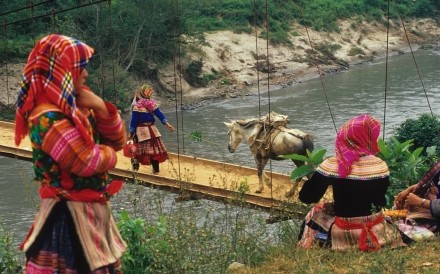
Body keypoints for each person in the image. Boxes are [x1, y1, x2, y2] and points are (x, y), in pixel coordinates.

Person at [14, 34, 127, 273]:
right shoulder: (47, 117)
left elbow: (118, 141)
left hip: (91, 215)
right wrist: (110, 156)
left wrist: (100, 107)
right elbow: (86, 162)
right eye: (81, 67)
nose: (86, 73)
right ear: (64, 70)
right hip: (67, 219)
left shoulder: (77, 105)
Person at [297, 114, 405, 251]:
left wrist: (318, 177)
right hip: (376, 227)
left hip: (345, 230)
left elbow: (307, 198)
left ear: (344, 137)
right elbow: (379, 199)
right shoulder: (380, 165)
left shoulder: (332, 165)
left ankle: (303, 247)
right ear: (370, 138)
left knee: (315, 211)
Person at [128, 83, 174, 173]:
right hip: (151, 130)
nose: (149, 93)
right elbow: (159, 114)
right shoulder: (150, 104)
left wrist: (131, 132)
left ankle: (136, 170)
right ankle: (155, 170)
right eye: (148, 91)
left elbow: (134, 121)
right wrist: (167, 124)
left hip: (142, 131)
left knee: (138, 149)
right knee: (154, 150)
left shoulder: (138, 105)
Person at [394, 162, 440, 232]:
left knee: (397, 226)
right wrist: (411, 189)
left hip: (434, 217)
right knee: (390, 215)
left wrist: (420, 202)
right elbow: (433, 183)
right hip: (432, 210)